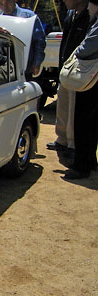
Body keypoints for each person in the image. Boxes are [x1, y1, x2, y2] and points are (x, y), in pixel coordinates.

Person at [46, 0, 91, 157]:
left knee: (74, 107)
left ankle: (73, 145)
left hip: (78, 72)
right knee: (63, 104)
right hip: (65, 68)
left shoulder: (89, 16)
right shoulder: (70, 15)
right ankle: (62, 139)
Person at [63, 0, 98, 179]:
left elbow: (87, 48)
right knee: (91, 123)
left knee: (83, 122)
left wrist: (75, 53)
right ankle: (90, 160)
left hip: (90, 80)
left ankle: (81, 165)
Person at [0, 0, 46, 79]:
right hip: (4, 71)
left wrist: (36, 64)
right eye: (1, 3)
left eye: (8, 2)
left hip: (24, 70)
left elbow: (39, 42)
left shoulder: (28, 17)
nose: (5, 6)